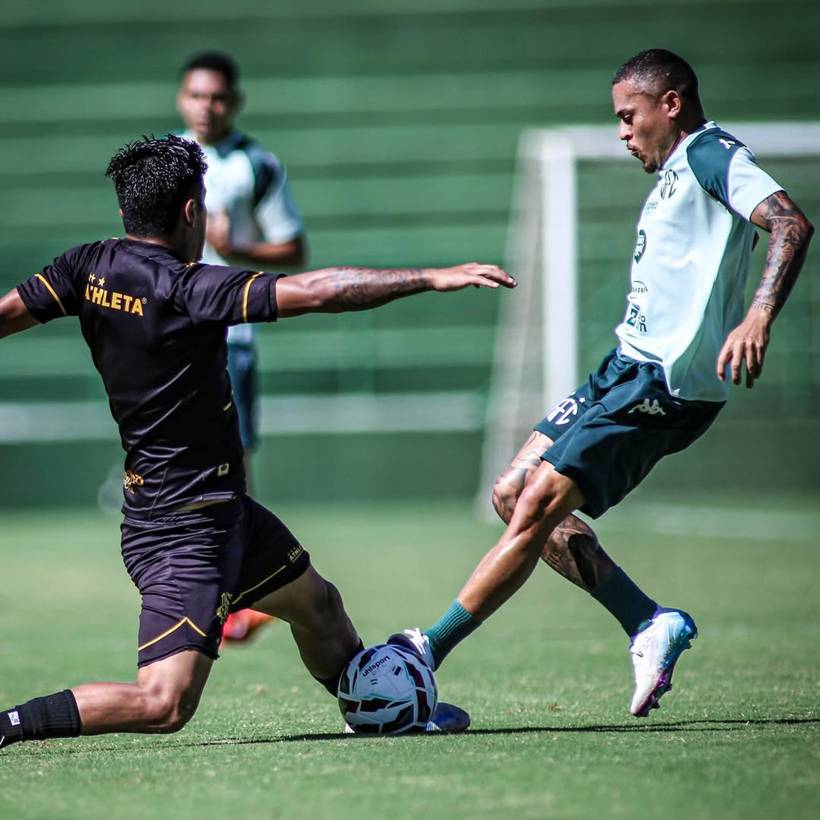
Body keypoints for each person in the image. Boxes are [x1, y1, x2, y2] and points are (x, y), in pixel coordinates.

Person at [0, 134, 514, 750]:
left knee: (320, 607)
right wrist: (430, 276)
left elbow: (6, 313)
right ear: (193, 211)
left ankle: (386, 710)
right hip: (182, 530)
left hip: (221, 511)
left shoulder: (85, 267)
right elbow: (320, 291)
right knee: (164, 703)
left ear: (124, 211)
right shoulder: (190, 288)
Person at [391, 49, 814, 718]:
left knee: (536, 508)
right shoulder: (676, 170)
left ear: (670, 103)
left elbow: (791, 222)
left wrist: (758, 315)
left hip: (665, 384)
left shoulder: (711, 154)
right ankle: (648, 620)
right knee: (511, 492)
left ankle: (424, 653)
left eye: (627, 116)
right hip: (622, 367)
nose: (622, 132)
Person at [176, 51, 307, 644]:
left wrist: (237, 250)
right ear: (182, 98)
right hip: (170, 331)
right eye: (197, 96)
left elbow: (294, 248)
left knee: (233, 460)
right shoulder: (166, 159)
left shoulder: (258, 165)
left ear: (235, 101)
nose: (208, 107)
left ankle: (238, 590)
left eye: (218, 97)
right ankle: (199, 580)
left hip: (231, 334)